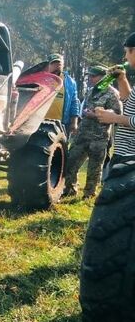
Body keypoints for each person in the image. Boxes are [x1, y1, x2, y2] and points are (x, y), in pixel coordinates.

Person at [63, 65, 122, 199]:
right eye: (89, 76)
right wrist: (84, 114)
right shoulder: (90, 91)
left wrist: (95, 115)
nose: (90, 78)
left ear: (103, 77)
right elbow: (84, 108)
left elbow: (117, 114)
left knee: (94, 168)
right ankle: (70, 189)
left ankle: (89, 194)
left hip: (99, 137)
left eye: (93, 76)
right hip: (83, 134)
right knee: (71, 161)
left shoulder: (112, 93)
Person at [94, 32, 135, 165]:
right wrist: (122, 79)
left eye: (127, 52)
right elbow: (129, 105)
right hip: (125, 155)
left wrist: (115, 118)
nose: (125, 57)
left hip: (130, 158)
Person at [45, 53, 81, 136]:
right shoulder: (41, 78)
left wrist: (74, 123)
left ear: (63, 65)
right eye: (53, 64)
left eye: (59, 64)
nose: (57, 66)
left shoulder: (70, 82)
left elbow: (74, 103)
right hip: (40, 121)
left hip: (61, 124)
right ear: (48, 65)